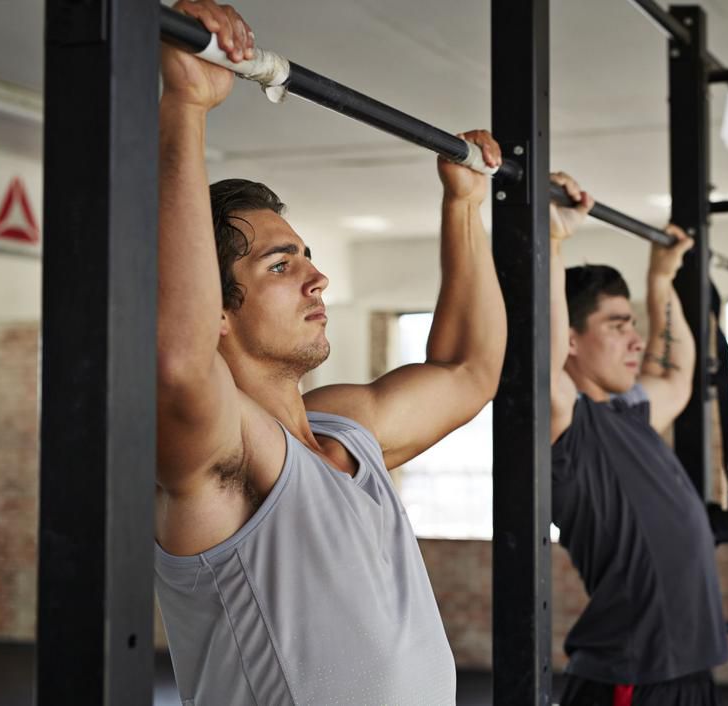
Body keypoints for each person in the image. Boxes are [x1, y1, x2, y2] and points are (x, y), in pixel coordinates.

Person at [154, 2, 506, 703]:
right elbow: (179, 362)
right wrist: (186, 109)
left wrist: (464, 206)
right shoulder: (227, 458)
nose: (317, 277)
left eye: (308, 256)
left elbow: (470, 370)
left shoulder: (348, 431)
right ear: (219, 311)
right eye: (281, 266)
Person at [548, 173, 728, 705]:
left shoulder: (629, 414)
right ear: (573, 341)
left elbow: (676, 373)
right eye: (618, 325)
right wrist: (553, 241)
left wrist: (661, 278)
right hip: (632, 675)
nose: (637, 339)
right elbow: (541, 354)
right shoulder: (568, 428)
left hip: (689, 668)